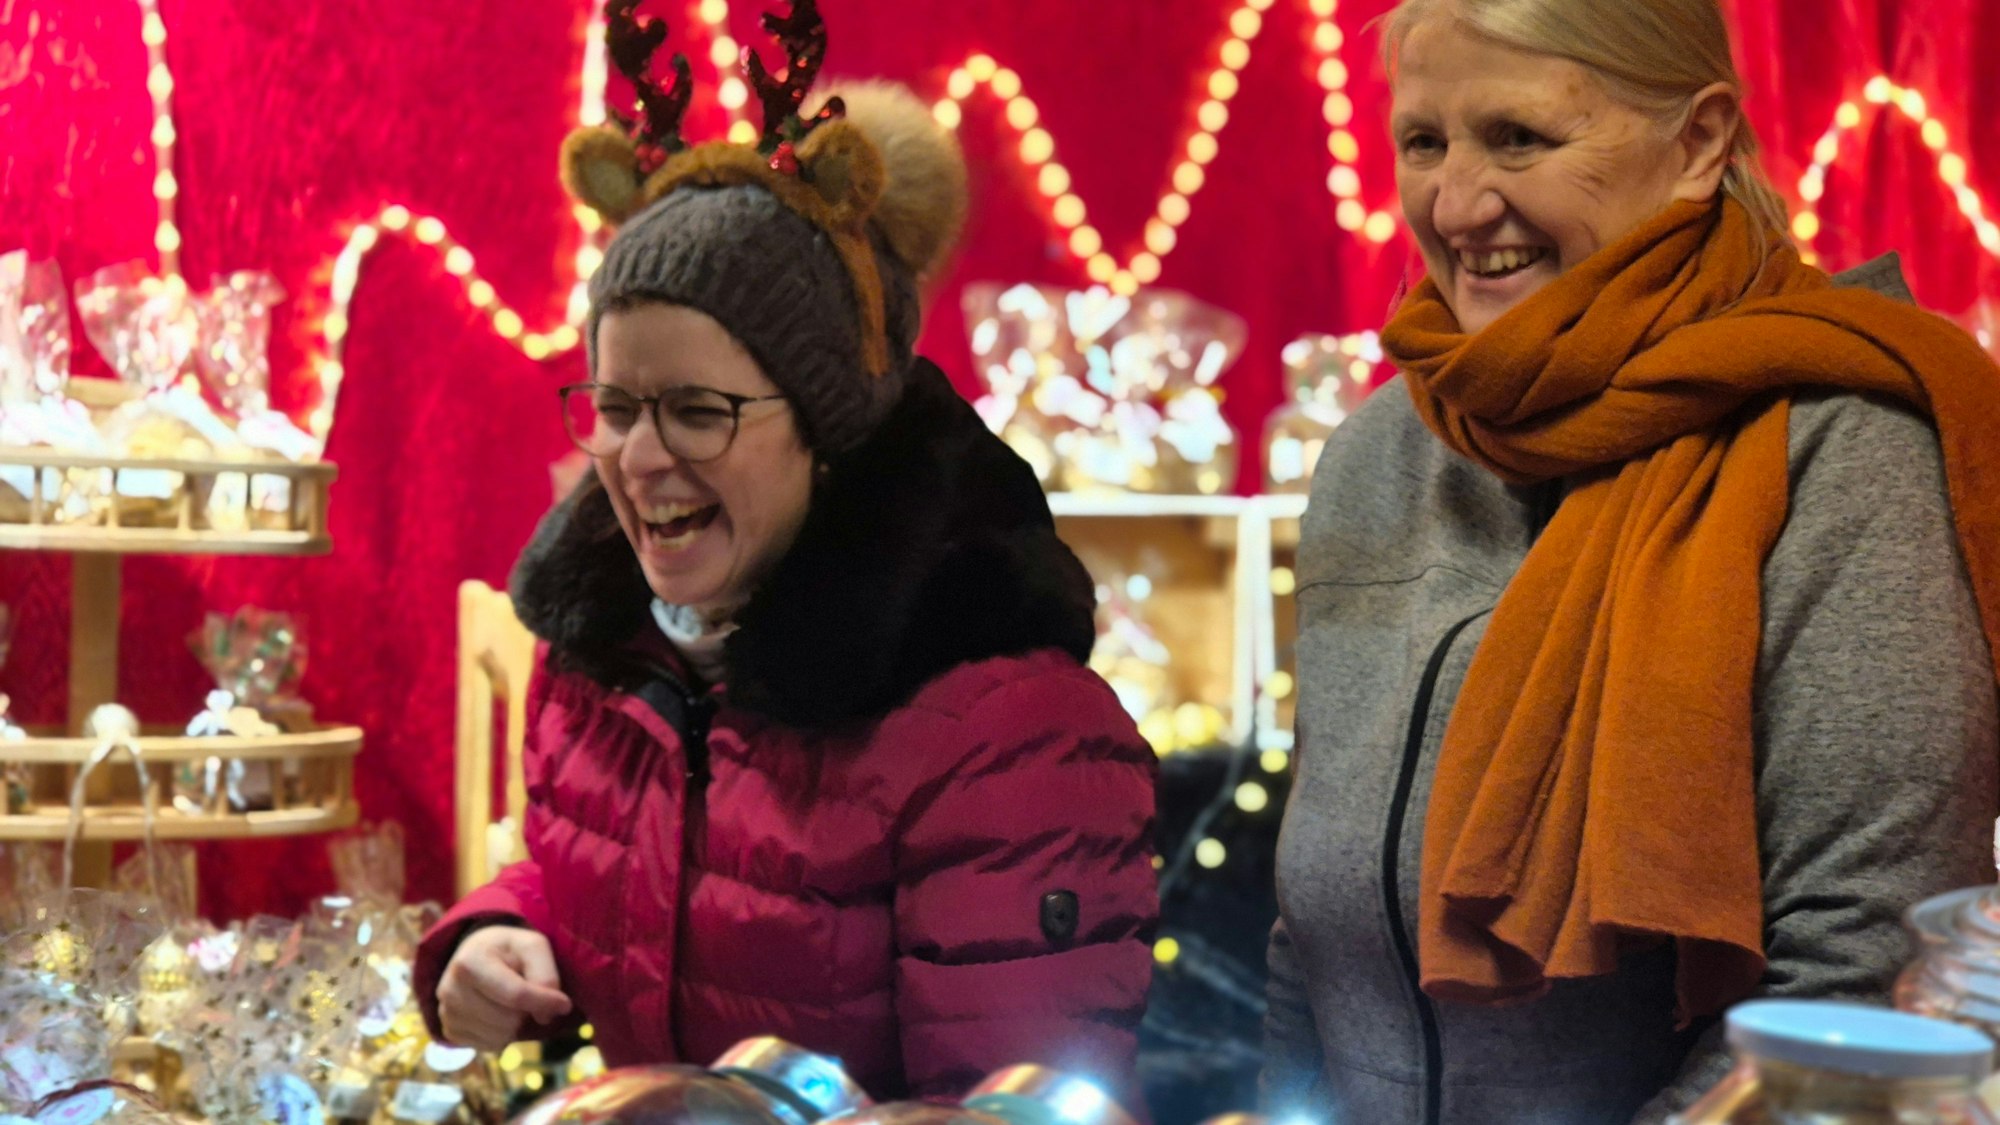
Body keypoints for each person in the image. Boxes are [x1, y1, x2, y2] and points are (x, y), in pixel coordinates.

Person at [1263, 0, 2000, 1121]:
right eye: (1423, 141)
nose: (1456, 203)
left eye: (1518, 137)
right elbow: (1305, 936)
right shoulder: (1379, 451)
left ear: (1699, 141)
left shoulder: (1842, 452)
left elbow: (1858, 985)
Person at [412, 6, 1156, 1103]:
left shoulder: (1001, 735)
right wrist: (501, 932)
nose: (639, 458)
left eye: (697, 410)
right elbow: (620, 878)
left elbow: (1013, 1104)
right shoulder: (602, 656)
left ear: (826, 426)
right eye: (614, 407)